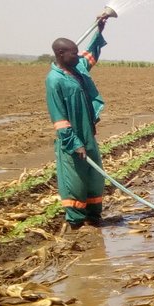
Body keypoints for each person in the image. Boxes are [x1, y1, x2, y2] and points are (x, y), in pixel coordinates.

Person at [47, 12, 111, 229]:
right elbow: (59, 119)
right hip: (72, 140)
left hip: (88, 135)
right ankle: (75, 222)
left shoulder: (77, 69)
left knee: (94, 178)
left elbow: (91, 54)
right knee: (75, 181)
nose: (78, 56)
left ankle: (94, 218)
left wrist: (99, 30)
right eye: (73, 53)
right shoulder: (54, 80)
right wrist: (74, 143)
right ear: (60, 54)